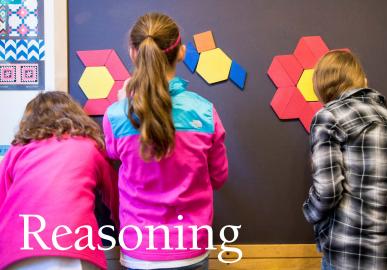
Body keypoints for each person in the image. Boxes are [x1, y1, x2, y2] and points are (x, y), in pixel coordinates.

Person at [103, 13, 228, 270]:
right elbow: (219, 177)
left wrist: (122, 104)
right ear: (181, 52)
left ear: (132, 53)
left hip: (138, 250)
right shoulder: (205, 112)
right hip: (190, 249)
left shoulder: (116, 115)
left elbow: (113, 154)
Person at [302, 50, 387, 269]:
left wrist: (310, 212)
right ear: (363, 81)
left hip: (355, 255)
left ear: (320, 87)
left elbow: (327, 191)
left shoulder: (328, 116)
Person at [0, 91, 118, 270]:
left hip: (17, 248)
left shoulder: (17, 150)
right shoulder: (91, 146)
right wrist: (123, 228)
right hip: (72, 246)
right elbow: (115, 196)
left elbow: (3, 200)